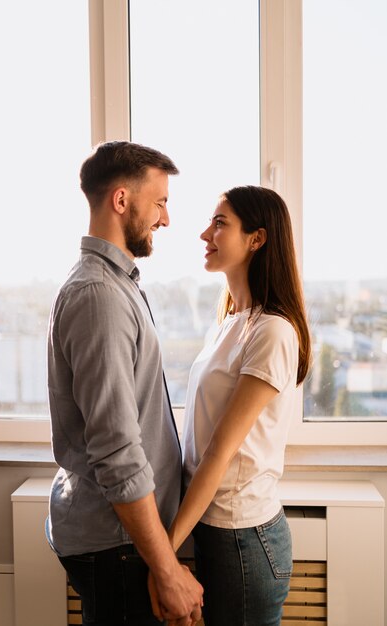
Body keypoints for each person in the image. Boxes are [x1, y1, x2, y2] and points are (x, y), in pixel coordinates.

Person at [46, 140, 203, 626]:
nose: (166, 219)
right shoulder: (100, 296)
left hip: (125, 540)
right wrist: (167, 568)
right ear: (121, 200)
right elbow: (116, 449)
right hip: (119, 545)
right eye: (159, 202)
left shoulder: (115, 284)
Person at [150, 185, 311, 626]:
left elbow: (220, 452)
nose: (205, 234)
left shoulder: (273, 332)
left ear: (257, 239)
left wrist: (162, 555)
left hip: (244, 537)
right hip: (218, 531)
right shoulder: (230, 324)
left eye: (220, 223)